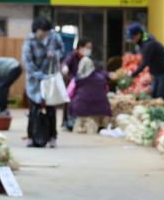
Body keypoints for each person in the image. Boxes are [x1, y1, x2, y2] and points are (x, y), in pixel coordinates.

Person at [22, 17, 64, 148]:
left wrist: (54, 54)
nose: (45, 34)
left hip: (50, 78)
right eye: (42, 31)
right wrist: (39, 75)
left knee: (51, 108)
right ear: (36, 30)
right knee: (34, 108)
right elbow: (27, 62)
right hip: (35, 80)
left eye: (46, 31)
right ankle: (31, 136)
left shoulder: (54, 37)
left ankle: (52, 137)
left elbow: (62, 50)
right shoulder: (29, 41)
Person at [126, 23, 164, 100]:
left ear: (138, 35)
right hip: (156, 72)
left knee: (160, 96)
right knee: (154, 95)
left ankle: (162, 109)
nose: (132, 40)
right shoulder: (141, 43)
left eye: (132, 37)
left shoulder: (149, 45)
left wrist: (133, 74)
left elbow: (145, 62)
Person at [68, 56, 112, 134]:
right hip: (101, 110)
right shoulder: (101, 77)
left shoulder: (76, 79)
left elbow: (69, 94)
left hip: (79, 109)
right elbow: (106, 90)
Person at [61, 38, 92, 130]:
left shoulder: (87, 58)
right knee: (69, 102)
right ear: (80, 47)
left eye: (90, 48)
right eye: (87, 47)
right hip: (72, 82)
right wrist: (65, 68)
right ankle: (66, 122)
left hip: (83, 82)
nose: (89, 50)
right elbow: (65, 63)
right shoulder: (72, 56)